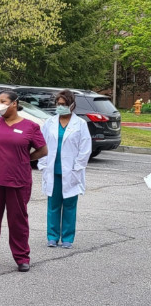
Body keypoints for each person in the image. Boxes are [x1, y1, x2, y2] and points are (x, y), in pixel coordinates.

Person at [0, 91, 48, 272]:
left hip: (17, 179)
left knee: (18, 220)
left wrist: (23, 159)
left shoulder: (30, 126)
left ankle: (22, 257)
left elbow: (42, 151)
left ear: (14, 103)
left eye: (3, 101)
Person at [38, 90, 91, 249]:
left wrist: (77, 168)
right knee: (53, 206)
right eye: (58, 104)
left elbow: (85, 149)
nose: (60, 107)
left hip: (71, 172)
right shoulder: (49, 123)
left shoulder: (80, 124)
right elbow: (42, 144)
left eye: (64, 104)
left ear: (72, 105)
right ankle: (52, 237)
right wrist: (43, 164)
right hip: (53, 170)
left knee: (69, 206)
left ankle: (67, 238)